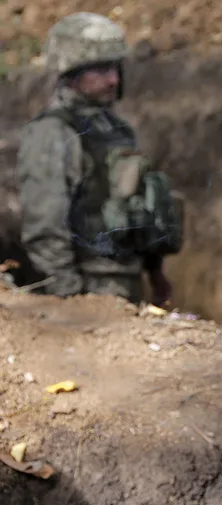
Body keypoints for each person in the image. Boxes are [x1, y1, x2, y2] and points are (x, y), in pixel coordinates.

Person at [17, 12, 181, 306]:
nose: (113, 79)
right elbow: (44, 227)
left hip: (125, 282)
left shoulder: (117, 129)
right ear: (71, 72)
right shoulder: (52, 133)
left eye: (115, 68)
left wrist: (155, 274)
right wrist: (71, 298)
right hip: (87, 285)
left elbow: (136, 203)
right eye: (101, 70)